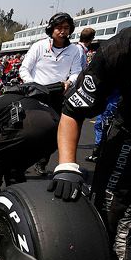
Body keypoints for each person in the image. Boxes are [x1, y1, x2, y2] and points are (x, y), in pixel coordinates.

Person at [48, 22, 131, 238]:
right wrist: (67, 165)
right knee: (110, 219)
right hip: (130, 133)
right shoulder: (122, 47)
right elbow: (73, 109)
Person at [0, 86, 59, 211]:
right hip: (57, 128)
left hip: (27, 125)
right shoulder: (7, 101)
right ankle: (20, 207)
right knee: (14, 168)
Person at [19, 12, 83, 174]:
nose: (62, 31)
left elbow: (76, 72)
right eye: (59, 27)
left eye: (66, 28)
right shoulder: (39, 46)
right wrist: (32, 85)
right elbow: (24, 69)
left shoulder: (75, 50)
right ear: (51, 29)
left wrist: (70, 81)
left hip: (58, 94)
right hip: (35, 94)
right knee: (28, 129)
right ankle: (19, 162)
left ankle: (42, 162)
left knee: (55, 133)